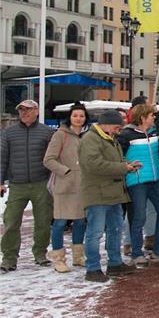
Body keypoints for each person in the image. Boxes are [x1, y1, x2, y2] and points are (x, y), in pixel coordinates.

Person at [79, 111, 139, 282]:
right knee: (95, 232)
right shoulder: (90, 139)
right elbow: (93, 164)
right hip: (97, 193)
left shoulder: (108, 137)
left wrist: (127, 165)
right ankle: (93, 268)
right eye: (116, 126)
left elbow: (110, 161)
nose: (118, 129)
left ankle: (115, 263)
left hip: (113, 193)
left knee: (115, 229)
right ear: (105, 124)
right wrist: (123, 168)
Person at [1, 100, 54, 272]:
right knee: (10, 222)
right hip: (17, 185)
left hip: (41, 183)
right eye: (21, 110)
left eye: (28, 109)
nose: (24, 113)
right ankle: (9, 258)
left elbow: (53, 158)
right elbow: (2, 158)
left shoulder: (47, 132)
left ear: (37, 111)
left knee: (43, 222)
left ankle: (40, 254)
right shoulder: (8, 133)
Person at [116, 104, 159, 266]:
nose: (154, 117)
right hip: (137, 180)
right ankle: (136, 253)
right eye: (151, 115)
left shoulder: (154, 132)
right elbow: (117, 155)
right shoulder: (126, 135)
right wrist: (127, 165)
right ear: (142, 117)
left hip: (155, 178)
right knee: (139, 216)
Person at [43, 102, 87, 273]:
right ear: (70, 117)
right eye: (75, 115)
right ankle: (58, 258)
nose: (78, 119)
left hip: (81, 185)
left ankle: (78, 256)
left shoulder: (84, 136)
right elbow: (48, 159)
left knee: (80, 221)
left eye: (81, 116)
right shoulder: (60, 135)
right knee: (60, 222)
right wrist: (65, 171)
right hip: (64, 184)